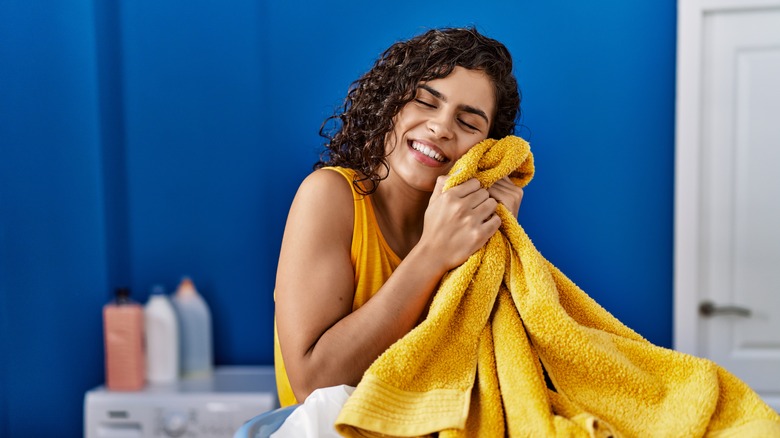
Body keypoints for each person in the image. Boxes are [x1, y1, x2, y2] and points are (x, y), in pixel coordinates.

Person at [273, 27, 524, 408]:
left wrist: (500, 244)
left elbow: (484, 375)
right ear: (389, 102)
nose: (441, 127)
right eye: (425, 101)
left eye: (468, 123)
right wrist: (432, 255)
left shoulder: (472, 229)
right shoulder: (329, 196)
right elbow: (314, 383)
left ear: (487, 150)